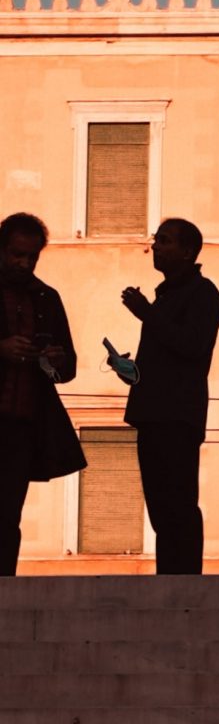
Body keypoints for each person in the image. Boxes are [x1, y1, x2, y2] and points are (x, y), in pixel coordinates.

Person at [120, 218, 219, 575]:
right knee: (161, 506)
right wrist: (130, 371)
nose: (156, 246)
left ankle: (184, 579)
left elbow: (192, 346)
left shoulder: (203, 294)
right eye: (156, 240)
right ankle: (171, 576)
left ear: (187, 251)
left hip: (177, 416)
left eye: (164, 241)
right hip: (153, 413)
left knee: (178, 503)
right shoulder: (167, 298)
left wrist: (147, 314)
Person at [0, 213, 85, 576]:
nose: (24, 263)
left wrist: (55, 359)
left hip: (22, 423)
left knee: (7, 515)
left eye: (31, 257)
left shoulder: (47, 298)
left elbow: (66, 370)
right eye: (17, 255)